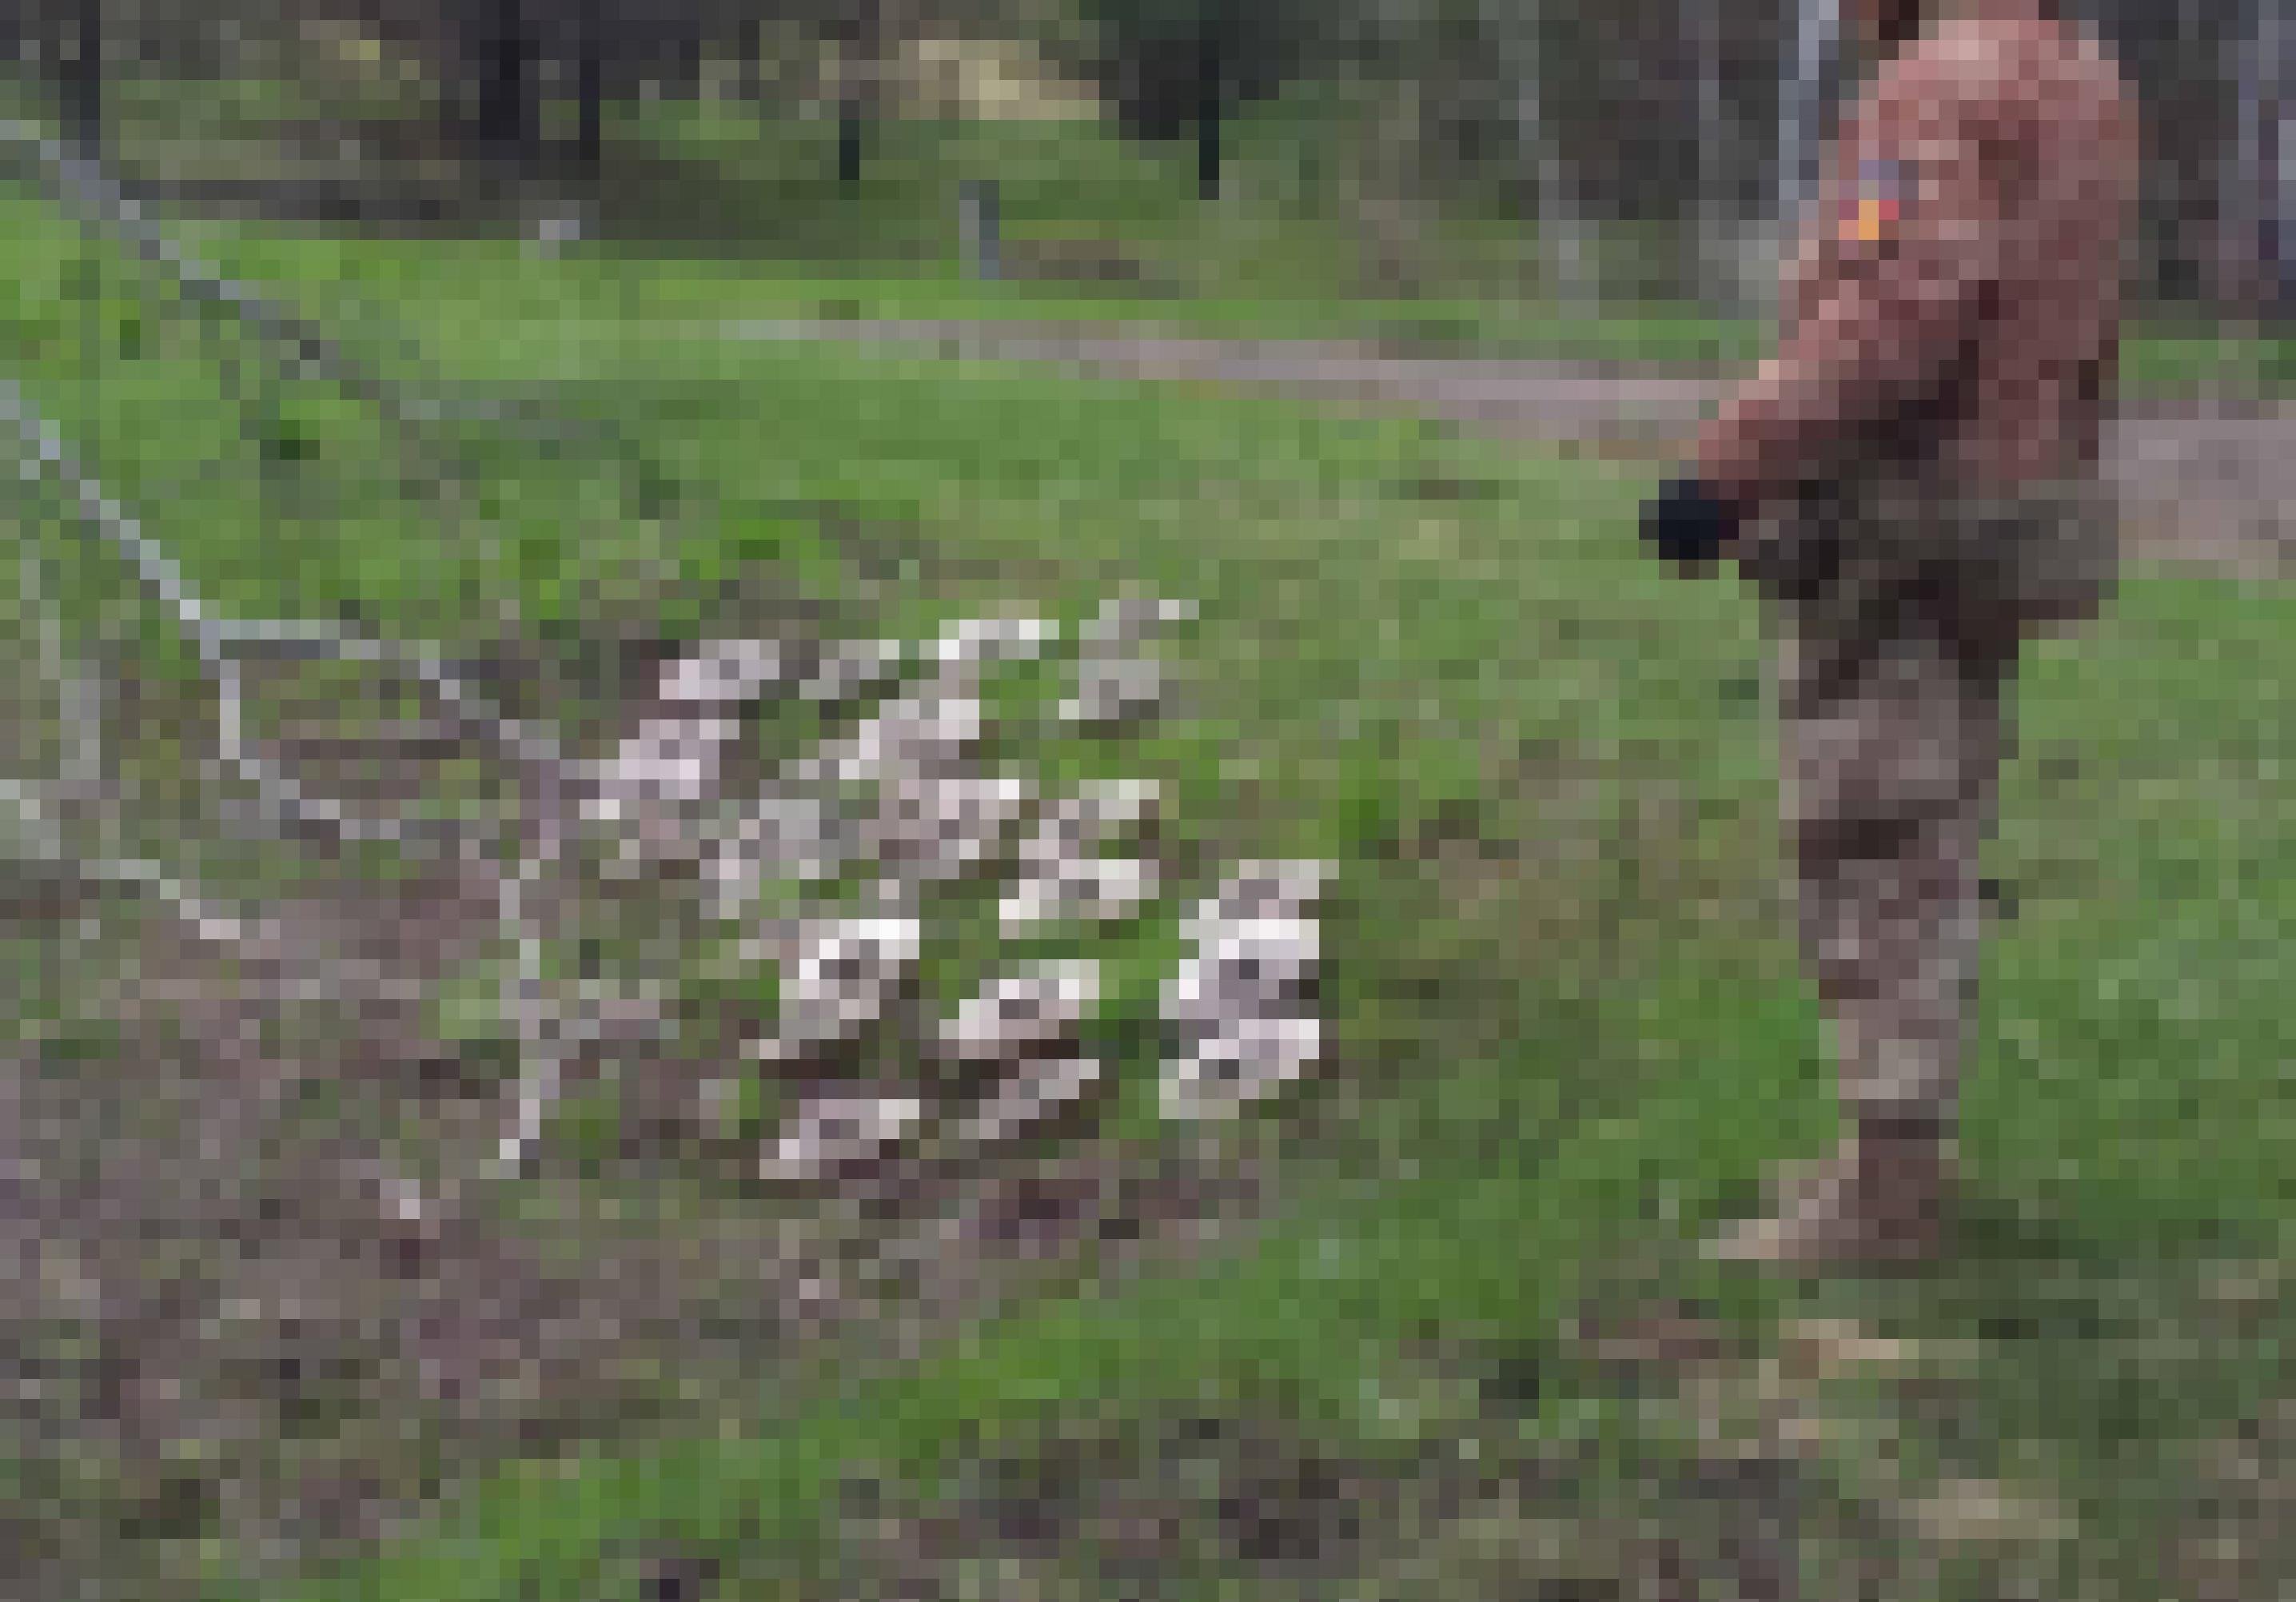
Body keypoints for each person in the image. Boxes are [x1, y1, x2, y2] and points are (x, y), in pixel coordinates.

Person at [1640, 0, 2140, 1270]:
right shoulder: (2082, 75)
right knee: (1941, 818)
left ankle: (1888, 1192)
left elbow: (1893, 318)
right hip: (2012, 513)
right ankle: (1898, 1156)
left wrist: (1725, 472)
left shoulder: (1936, 85)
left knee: (1870, 829)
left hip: (1904, 518)